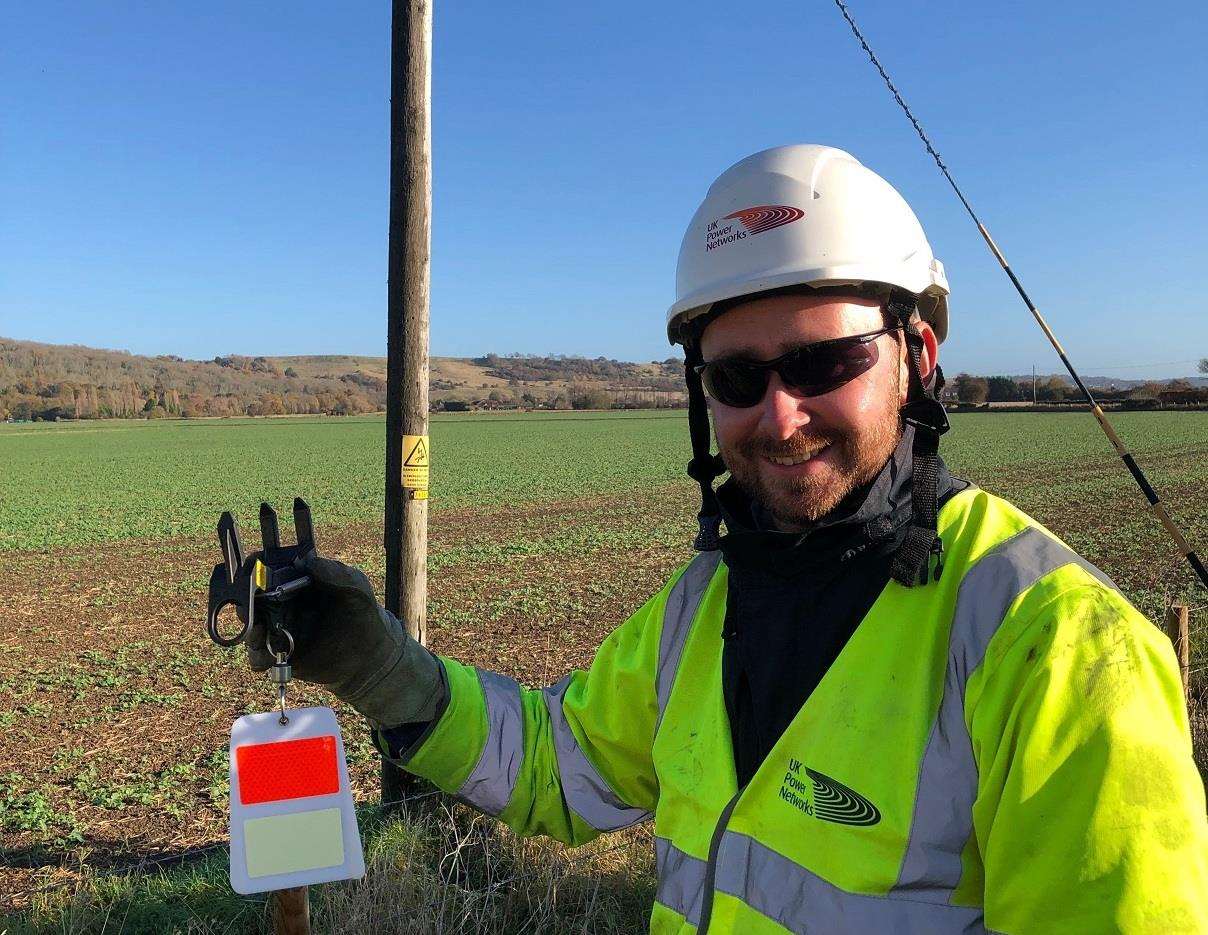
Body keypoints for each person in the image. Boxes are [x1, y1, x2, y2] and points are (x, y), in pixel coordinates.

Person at [241, 146, 1208, 933]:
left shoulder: (1061, 649)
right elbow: (559, 763)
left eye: (825, 361)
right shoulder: (706, 601)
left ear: (916, 357)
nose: (780, 417)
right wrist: (382, 672)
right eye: (737, 379)